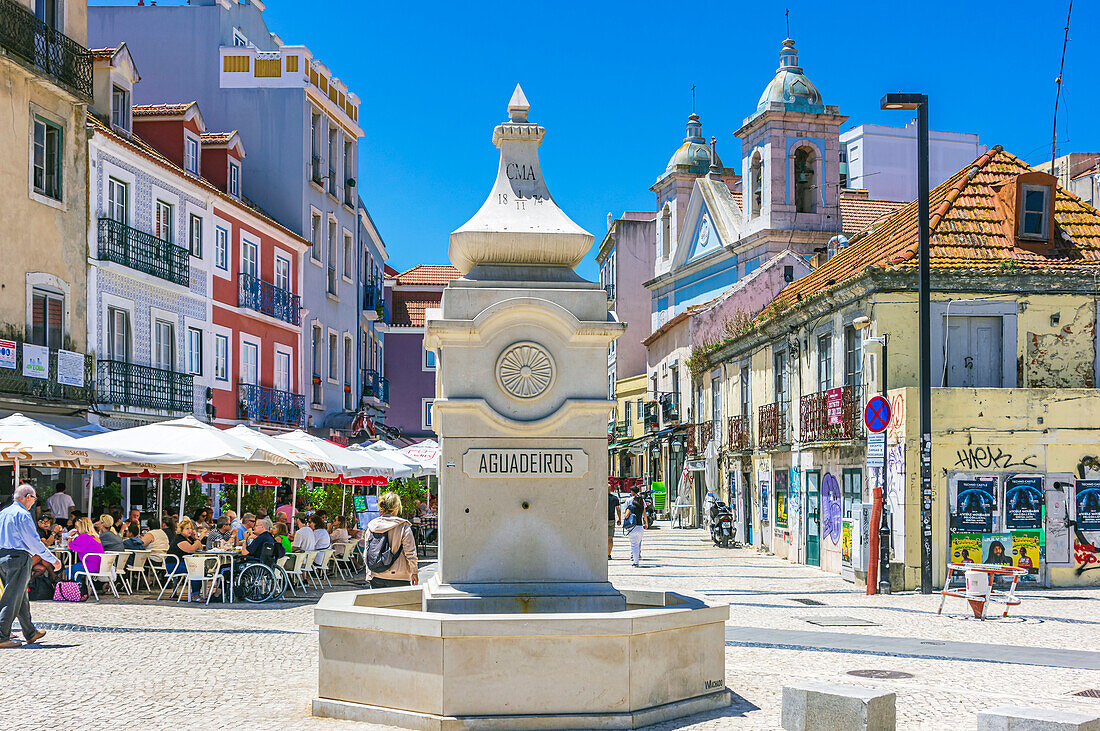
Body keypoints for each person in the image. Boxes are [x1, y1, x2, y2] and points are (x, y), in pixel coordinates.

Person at [0, 485, 59, 648]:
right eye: (34, 498)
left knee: (19, 595)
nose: (34, 502)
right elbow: (33, 542)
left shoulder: (3, 513)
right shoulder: (23, 514)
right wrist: (53, 560)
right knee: (12, 597)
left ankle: (30, 632)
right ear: (27, 496)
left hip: (2, 558)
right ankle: (1, 635)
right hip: (18, 557)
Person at [366, 492, 418, 589]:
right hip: (399, 576)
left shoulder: (372, 526)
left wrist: (368, 574)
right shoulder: (403, 526)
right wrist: (414, 571)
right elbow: (410, 552)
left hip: (376, 575)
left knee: (377, 604)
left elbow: (367, 551)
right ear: (397, 507)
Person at [623, 485, 649, 568]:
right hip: (640, 527)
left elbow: (626, 516)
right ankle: (636, 557)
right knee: (637, 544)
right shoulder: (641, 507)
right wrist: (646, 523)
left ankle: (635, 562)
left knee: (634, 545)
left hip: (632, 527)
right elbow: (644, 513)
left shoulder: (630, 506)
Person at [607, 486, 621, 560]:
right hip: (611, 520)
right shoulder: (615, 498)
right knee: (610, 538)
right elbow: (618, 509)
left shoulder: (601, 497)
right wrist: (619, 519)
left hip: (602, 520)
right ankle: (608, 554)